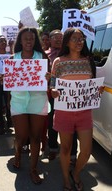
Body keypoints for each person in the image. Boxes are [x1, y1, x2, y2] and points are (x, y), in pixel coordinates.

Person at [50, 28, 98, 191]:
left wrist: (97, 91)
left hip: (84, 112)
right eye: (75, 38)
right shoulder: (58, 61)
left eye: (81, 38)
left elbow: (91, 84)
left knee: (86, 150)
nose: (79, 41)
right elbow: (52, 83)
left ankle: (75, 173)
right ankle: (65, 179)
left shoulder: (88, 61)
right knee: (65, 148)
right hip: (64, 112)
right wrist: (53, 90)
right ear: (67, 42)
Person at [11, 27, 50, 185]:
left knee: (35, 136)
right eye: (26, 38)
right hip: (19, 101)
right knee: (21, 136)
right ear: (20, 40)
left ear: (35, 41)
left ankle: (33, 169)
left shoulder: (42, 58)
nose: (28, 41)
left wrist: (48, 78)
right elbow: (9, 80)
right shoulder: (13, 58)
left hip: (38, 100)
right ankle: (18, 152)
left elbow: (51, 81)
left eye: (32, 39)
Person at [45, 29, 63, 160]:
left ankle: (69, 149)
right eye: (55, 37)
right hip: (50, 94)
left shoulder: (68, 55)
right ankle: (52, 147)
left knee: (65, 120)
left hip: (67, 93)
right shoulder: (44, 56)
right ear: (49, 40)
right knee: (51, 120)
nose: (58, 40)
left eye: (61, 37)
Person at [0, 35, 13, 134]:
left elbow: (14, 70)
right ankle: (1, 125)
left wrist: (5, 77)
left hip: (8, 84)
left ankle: (9, 123)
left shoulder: (11, 56)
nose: (3, 42)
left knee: (9, 103)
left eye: (5, 41)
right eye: (1, 41)